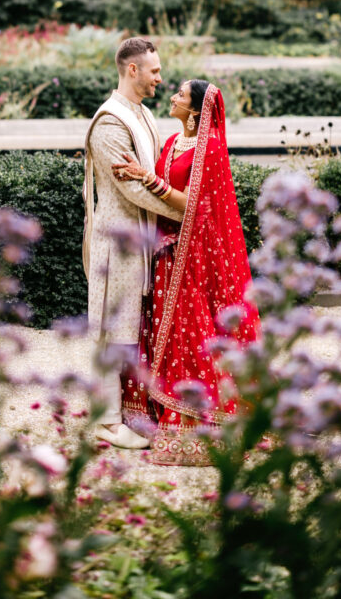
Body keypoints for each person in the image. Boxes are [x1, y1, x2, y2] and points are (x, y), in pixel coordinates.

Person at [112, 79, 260, 465]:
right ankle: (157, 414)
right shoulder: (171, 143)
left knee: (190, 332)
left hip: (190, 254)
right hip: (165, 252)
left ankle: (196, 419)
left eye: (180, 94)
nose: (173, 97)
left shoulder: (209, 148)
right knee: (164, 329)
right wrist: (138, 172)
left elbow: (195, 206)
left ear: (195, 110)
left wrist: (147, 179)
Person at [82, 37, 186, 449]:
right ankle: (105, 422)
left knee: (133, 330)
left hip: (143, 239)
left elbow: (152, 172)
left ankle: (129, 409)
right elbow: (134, 191)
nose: (161, 78)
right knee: (111, 331)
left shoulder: (142, 114)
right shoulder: (109, 121)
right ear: (132, 70)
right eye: (154, 71)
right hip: (117, 243)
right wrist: (187, 211)